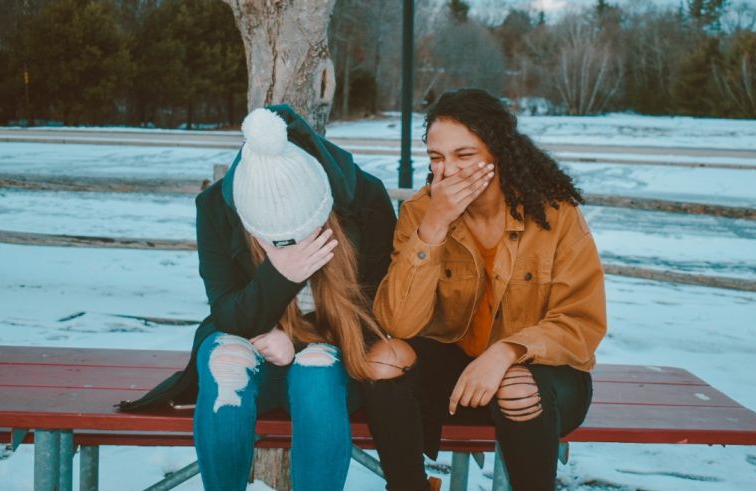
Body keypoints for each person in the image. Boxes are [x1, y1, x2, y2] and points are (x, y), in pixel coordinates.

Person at [117, 106, 396, 491]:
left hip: (334, 365)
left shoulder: (364, 201)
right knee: (225, 361)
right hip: (251, 348)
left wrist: (297, 340)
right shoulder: (216, 207)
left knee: (316, 368)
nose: (290, 245)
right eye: (274, 240)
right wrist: (281, 274)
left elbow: (379, 311)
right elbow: (228, 312)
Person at [361, 88, 607, 491]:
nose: (448, 172)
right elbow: (398, 322)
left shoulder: (556, 214)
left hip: (543, 379)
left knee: (515, 383)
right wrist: (434, 229)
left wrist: (507, 352)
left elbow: (581, 322)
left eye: (464, 155)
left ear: (498, 153)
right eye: (437, 158)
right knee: (382, 359)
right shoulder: (420, 213)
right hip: (455, 375)